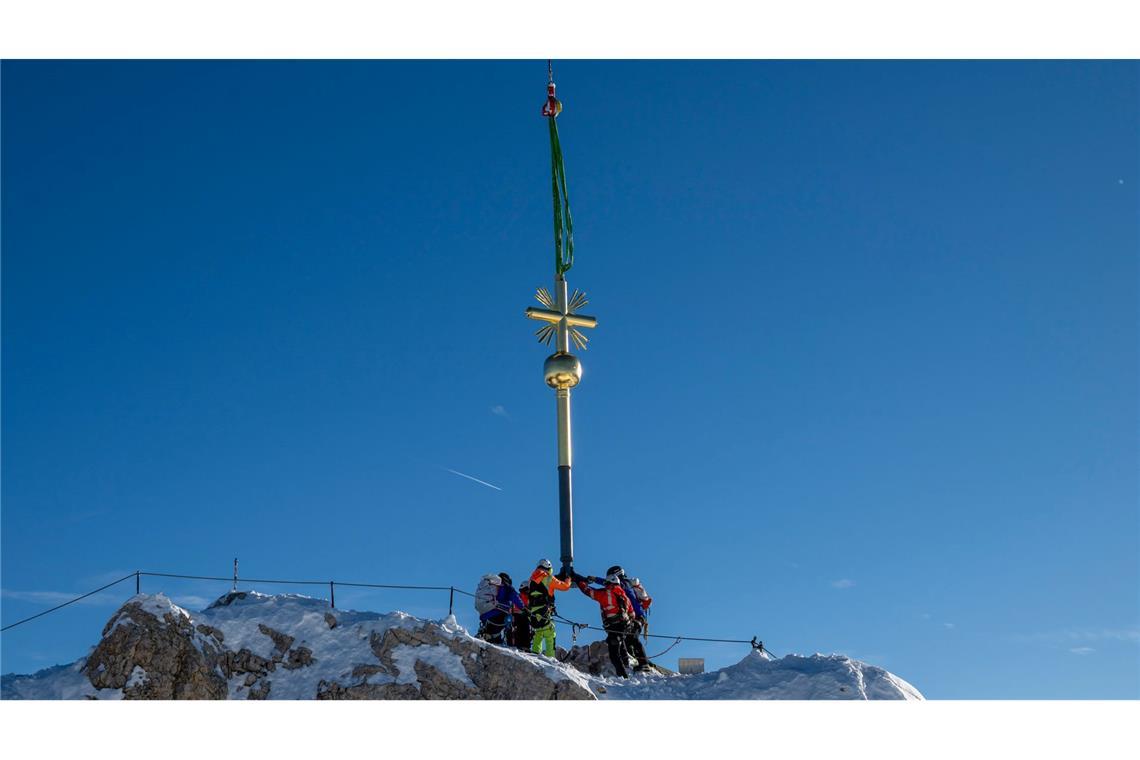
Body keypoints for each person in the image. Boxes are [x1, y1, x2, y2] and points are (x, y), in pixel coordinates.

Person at [575, 572, 635, 678]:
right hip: (625, 626)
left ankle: (624, 676)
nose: (605, 585)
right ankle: (626, 665)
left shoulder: (607, 594)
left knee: (614, 654)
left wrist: (579, 582)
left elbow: (589, 591)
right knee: (620, 645)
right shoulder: (624, 596)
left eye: (607, 583)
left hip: (614, 627)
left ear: (610, 583)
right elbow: (632, 614)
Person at [605, 565, 652, 673]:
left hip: (637, 616)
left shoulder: (624, 585)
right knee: (628, 638)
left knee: (633, 638)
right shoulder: (627, 584)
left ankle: (643, 663)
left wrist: (592, 580)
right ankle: (637, 661)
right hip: (637, 616)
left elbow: (607, 584)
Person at [526, 558, 572, 657]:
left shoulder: (531, 579)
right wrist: (568, 579)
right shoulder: (547, 577)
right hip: (543, 609)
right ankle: (550, 657)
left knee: (538, 631)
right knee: (550, 633)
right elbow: (564, 587)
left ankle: (535, 653)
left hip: (533, 611)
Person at [478, 572, 525, 646]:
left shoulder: (491, 586)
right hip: (498, 616)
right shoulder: (506, 587)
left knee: (494, 633)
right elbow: (516, 598)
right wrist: (523, 608)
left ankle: (490, 637)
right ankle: (513, 643)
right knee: (515, 618)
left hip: (484, 617)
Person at [512, 580, 534, 651]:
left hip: (517, 616)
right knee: (524, 627)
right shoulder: (526, 598)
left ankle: (522, 644)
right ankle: (524, 645)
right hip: (519, 616)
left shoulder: (522, 596)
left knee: (522, 628)